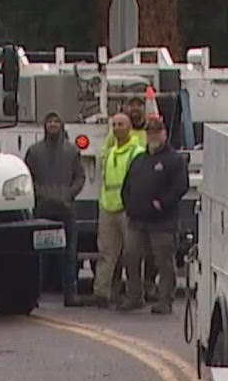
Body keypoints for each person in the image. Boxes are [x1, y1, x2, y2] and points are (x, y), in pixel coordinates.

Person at [118, 116, 188, 314]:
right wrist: (129, 205)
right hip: (137, 220)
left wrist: (162, 203)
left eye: (157, 132)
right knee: (130, 257)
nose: (153, 136)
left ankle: (165, 300)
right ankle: (134, 296)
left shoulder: (174, 159)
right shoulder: (140, 159)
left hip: (163, 222)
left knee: (164, 261)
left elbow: (180, 186)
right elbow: (127, 185)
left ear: (164, 134)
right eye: (150, 132)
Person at [22, 112, 86, 306]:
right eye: (49, 121)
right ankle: (33, 297)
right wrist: (40, 194)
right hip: (42, 210)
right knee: (40, 258)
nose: (53, 125)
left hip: (66, 209)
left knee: (69, 254)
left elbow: (80, 177)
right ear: (44, 125)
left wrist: (69, 194)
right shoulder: (34, 151)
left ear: (62, 124)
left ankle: (71, 295)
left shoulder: (72, 151)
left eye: (56, 121)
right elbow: (27, 176)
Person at [93, 112, 144, 307]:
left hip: (127, 209)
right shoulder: (110, 152)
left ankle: (134, 295)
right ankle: (101, 293)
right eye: (114, 125)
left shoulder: (137, 152)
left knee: (131, 254)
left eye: (121, 124)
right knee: (106, 253)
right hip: (107, 207)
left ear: (129, 127)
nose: (117, 128)